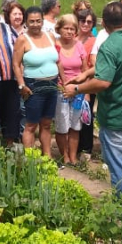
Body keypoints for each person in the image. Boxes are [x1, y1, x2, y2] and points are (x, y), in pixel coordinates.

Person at [63, 2, 122, 224]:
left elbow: (104, 81)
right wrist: (86, 73)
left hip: (117, 118)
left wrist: (76, 88)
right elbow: (117, 64)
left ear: (103, 24)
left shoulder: (108, 45)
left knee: (120, 168)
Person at [14, 8, 60, 158]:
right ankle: (30, 160)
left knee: (46, 124)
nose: (35, 24)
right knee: (31, 125)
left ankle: (47, 157)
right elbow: (15, 64)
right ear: (26, 22)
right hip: (33, 87)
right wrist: (21, 85)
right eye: (31, 21)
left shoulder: (51, 36)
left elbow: (58, 61)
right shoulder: (22, 39)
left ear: (42, 21)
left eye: (38, 21)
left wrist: (64, 82)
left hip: (52, 86)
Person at [53, 15, 89, 166]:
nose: (69, 31)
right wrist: (63, 87)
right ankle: (65, 156)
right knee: (62, 125)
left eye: (72, 29)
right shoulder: (55, 45)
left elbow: (85, 69)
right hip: (60, 90)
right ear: (59, 29)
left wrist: (86, 91)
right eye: (66, 28)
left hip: (78, 89)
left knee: (75, 124)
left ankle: (73, 157)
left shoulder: (79, 45)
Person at [0, 2, 26, 145]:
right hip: (4, 77)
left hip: (24, 77)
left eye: (20, 13)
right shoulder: (3, 29)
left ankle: (14, 140)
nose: (18, 16)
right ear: (8, 16)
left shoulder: (27, 31)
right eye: (15, 14)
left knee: (16, 111)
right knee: (3, 108)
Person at [75, 8, 98, 160]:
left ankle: (86, 148)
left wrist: (88, 91)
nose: (86, 24)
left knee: (86, 117)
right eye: (83, 20)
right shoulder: (71, 38)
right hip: (71, 82)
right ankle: (73, 147)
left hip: (88, 83)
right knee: (73, 116)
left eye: (89, 22)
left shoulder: (95, 42)